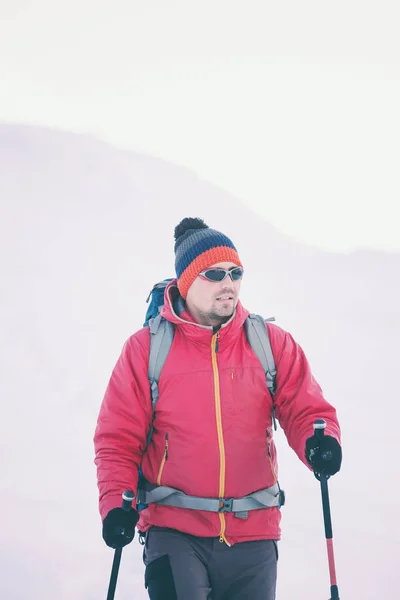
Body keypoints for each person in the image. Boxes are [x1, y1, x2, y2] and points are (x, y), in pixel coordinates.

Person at [93, 217, 342, 600]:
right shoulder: (146, 350)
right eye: (214, 273)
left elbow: (306, 409)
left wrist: (319, 443)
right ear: (187, 281)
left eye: (235, 272)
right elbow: (117, 439)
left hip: (254, 534)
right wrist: (116, 505)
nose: (229, 283)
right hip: (173, 531)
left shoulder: (269, 343)